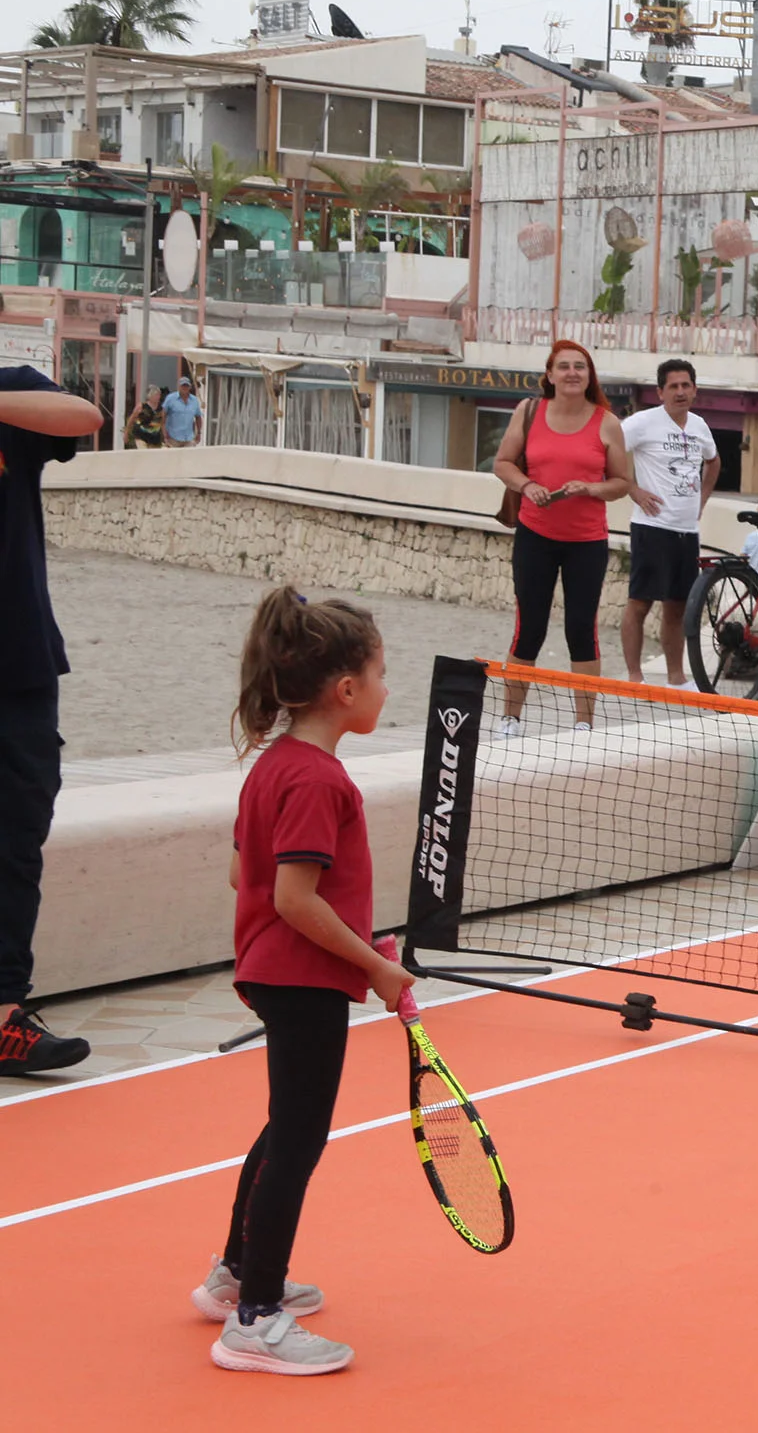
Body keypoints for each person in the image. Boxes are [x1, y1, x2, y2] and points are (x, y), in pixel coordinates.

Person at [199, 586, 412, 1375]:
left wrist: (359, 936)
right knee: (298, 1139)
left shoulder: (273, 767)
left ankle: (233, 1277)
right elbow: (293, 897)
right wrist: (377, 965)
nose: (389, 689)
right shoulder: (323, 780)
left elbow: (241, 873)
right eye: (382, 674)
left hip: (277, 974)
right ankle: (254, 1318)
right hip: (305, 982)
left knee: (281, 1128)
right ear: (345, 689)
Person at [0, 366, 101, 1077]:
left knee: (16, 841)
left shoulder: (15, 396)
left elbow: (85, 417)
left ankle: (5, 1013)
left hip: (21, 662)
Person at [491, 340, 631, 735]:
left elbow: (622, 483)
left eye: (580, 367)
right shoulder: (529, 411)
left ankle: (584, 722)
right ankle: (510, 718)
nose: (572, 373)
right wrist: (527, 484)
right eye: (564, 366)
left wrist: (589, 489)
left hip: (587, 541)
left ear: (590, 376)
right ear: (550, 375)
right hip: (536, 535)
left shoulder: (606, 421)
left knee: (581, 629)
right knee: (529, 627)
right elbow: (502, 463)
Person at [620, 359, 719, 687]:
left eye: (685, 385)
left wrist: (701, 500)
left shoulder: (700, 426)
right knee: (640, 602)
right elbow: (606, 453)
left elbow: (714, 460)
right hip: (652, 528)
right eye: (673, 386)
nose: (680, 392)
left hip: (687, 531)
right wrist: (633, 490)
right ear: (660, 392)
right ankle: (635, 676)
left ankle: (676, 678)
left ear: (695, 390)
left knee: (677, 606)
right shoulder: (641, 423)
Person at [162, 373, 203, 446]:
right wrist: (165, 435)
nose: (185, 388)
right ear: (179, 386)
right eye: (183, 385)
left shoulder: (194, 400)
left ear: (190, 387)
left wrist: (199, 433)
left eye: (186, 386)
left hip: (189, 438)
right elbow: (163, 418)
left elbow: (198, 417)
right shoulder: (170, 398)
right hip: (173, 438)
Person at [128, 384, 166, 449]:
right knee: (144, 454)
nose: (158, 397)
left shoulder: (161, 409)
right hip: (141, 436)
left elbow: (162, 423)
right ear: (150, 396)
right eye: (156, 395)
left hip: (154, 438)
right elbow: (131, 419)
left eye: (159, 395)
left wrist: (165, 437)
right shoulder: (141, 407)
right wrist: (126, 433)